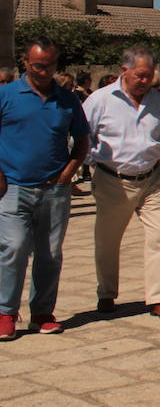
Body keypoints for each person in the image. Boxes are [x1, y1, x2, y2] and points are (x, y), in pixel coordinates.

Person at [0, 37, 90, 339]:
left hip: (54, 190)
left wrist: (68, 174)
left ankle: (42, 312)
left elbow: (82, 140)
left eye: (49, 66)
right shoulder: (7, 95)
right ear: (26, 62)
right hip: (12, 188)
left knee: (50, 253)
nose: (43, 72)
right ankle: (5, 312)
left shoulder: (67, 100)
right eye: (38, 66)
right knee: (13, 249)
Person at [84, 46, 160, 319]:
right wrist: (94, 161)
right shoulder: (99, 100)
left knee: (159, 236)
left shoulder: (158, 102)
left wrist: (157, 161)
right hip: (113, 180)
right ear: (124, 71)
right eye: (140, 75)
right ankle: (107, 292)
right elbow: (82, 136)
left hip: (151, 179)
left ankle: (159, 298)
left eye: (149, 76)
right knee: (108, 240)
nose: (145, 81)